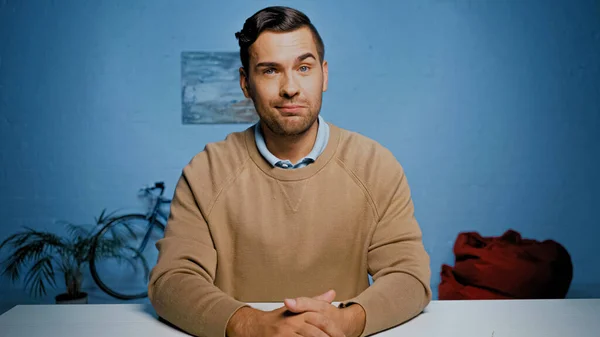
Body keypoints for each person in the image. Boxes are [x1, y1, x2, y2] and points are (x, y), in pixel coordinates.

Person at [148, 5, 431, 337]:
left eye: (304, 67)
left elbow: (409, 276)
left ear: (324, 75)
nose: (290, 87)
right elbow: (171, 281)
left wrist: (346, 321)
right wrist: (252, 324)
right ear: (245, 83)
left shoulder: (376, 165)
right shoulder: (206, 171)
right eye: (270, 70)